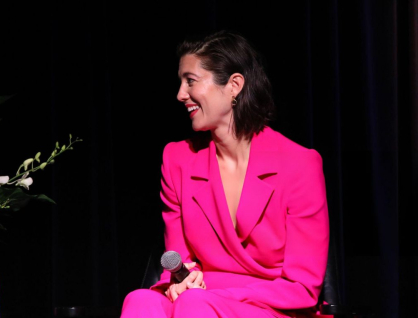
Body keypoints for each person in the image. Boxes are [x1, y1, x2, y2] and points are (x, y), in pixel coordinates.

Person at [120, 30, 329, 318]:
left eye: (190, 81)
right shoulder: (177, 160)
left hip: (271, 306)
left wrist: (213, 297)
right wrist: (183, 281)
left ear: (234, 85)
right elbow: (180, 259)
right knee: (140, 300)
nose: (180, 94)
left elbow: (302, 286)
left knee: (195, 305)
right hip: (198, 300)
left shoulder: (299, 164)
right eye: (180, 82)